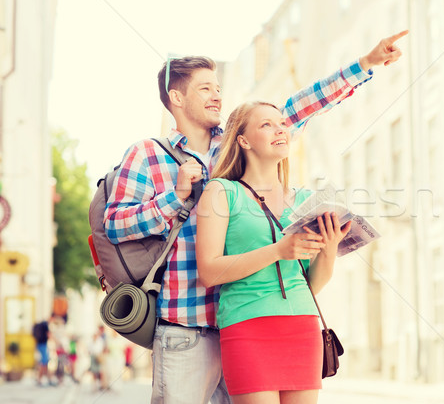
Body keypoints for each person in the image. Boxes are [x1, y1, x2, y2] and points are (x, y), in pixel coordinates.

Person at [104, 31, 407, 404]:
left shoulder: (233, 143)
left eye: (218, 87)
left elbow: (302, 105)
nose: (217, 94)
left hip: (246, 318)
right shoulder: (148, 154)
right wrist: (174, 197)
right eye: (204, 89)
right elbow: (115, 225)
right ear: (177, 98)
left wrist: (366, 64)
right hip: (188, 324)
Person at [196, 101, 350, 403]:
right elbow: (209, 271)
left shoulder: (306, 200)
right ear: (243, 141)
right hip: (247, 327)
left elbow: (312, 285)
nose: (280, 129)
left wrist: (329, 248)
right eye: (266, 124)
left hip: (303, 326)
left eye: (282, 123)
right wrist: (279, 250)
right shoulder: (222, 192)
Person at [32, 319, 52, 386]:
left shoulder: (40, 325)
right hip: (43, 345)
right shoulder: (45, 325)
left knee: (44, 362)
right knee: (44, 362)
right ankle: (40, 379)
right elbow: (49, 335)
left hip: (39, 344)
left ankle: (46, 378)